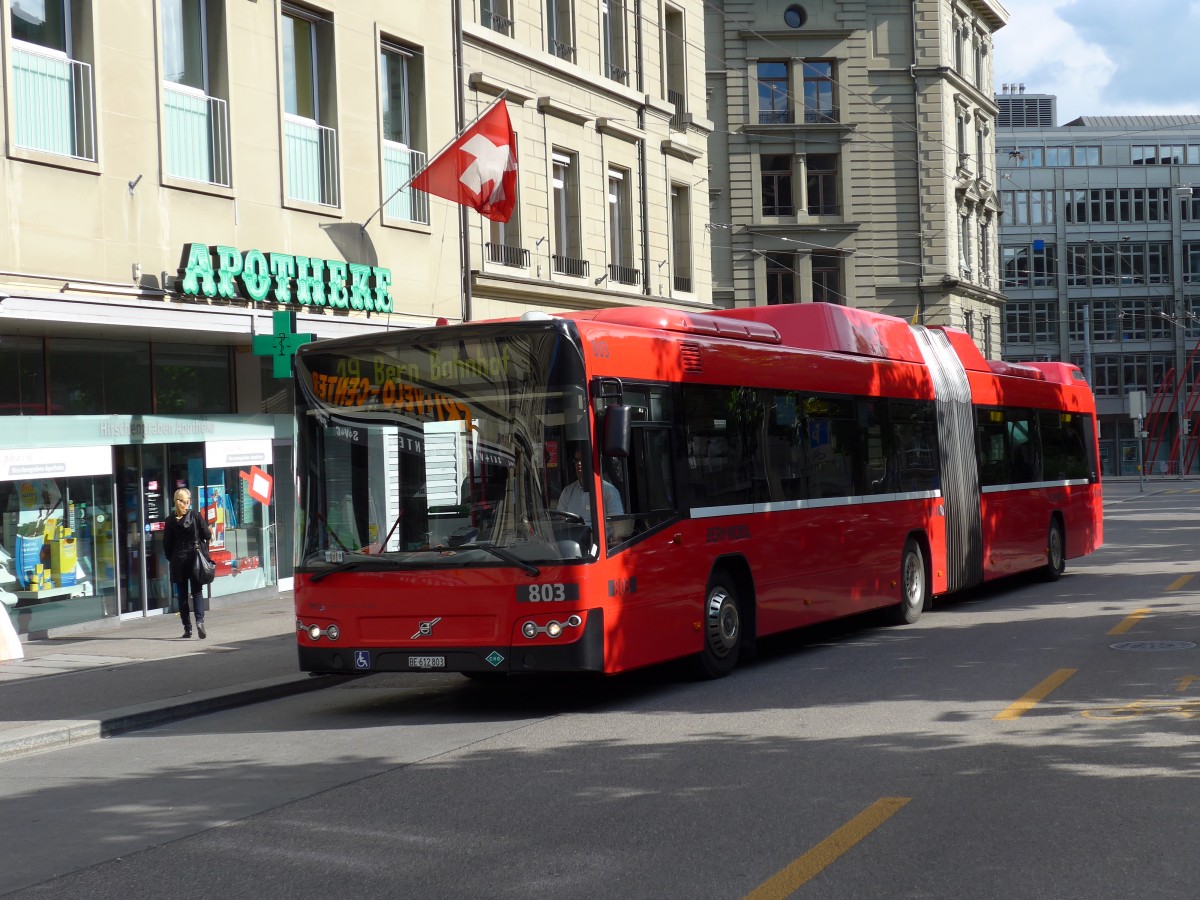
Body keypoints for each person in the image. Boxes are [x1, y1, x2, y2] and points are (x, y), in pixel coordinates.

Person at [162, 488, 212, 639]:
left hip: (178, 560)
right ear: (188, 501)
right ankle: (199, 621)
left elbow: (166, 544)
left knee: (182, 595)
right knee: (197, 591)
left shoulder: (170, 520)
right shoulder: (195, 515)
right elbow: (206, 535)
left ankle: (187, 628)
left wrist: (171, 558)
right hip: (194, 558)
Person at [558, 449, 624, 522]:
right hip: (573, 529)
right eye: (576, 460)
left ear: (593, 462)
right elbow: (560, 521)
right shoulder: (567, 492)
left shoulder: (610, 491)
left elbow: (616, 523)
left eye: (583, 460)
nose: (579, 463)